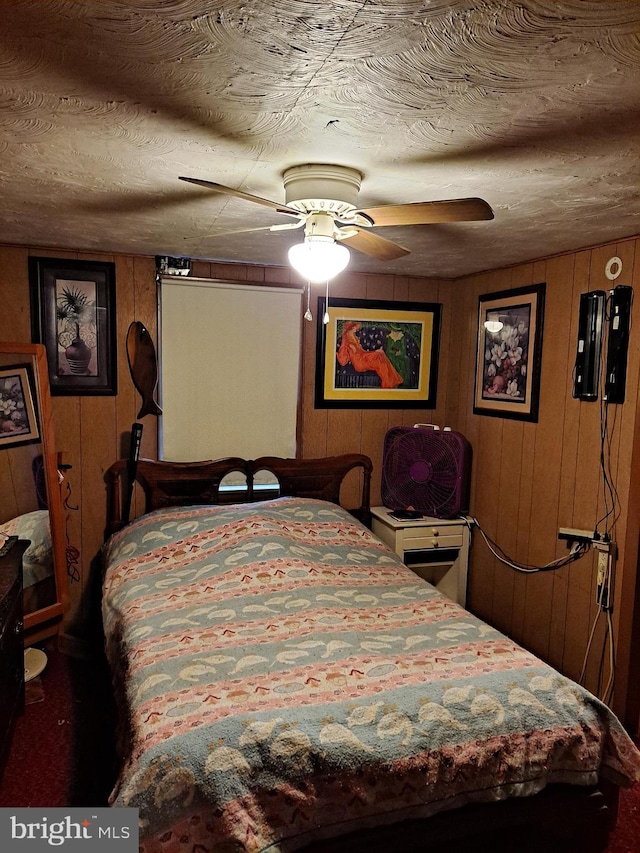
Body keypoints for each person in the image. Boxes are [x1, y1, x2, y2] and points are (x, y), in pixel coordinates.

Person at [336, 321, 403, 389]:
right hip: (359, 362)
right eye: (356, 326)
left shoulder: (354, 336)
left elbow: (362, 352)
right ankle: (388, 384)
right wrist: (338, 353)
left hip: (363, 357)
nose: (357, 328)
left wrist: (374, 352)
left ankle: (393, 380)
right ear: (352, 327)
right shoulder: (346, 339)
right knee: (378, 356)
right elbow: (343, 360)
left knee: (380, 353)